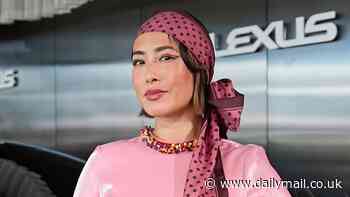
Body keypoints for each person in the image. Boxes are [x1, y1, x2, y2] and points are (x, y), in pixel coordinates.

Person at [73, 9, 292, 197]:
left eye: (166, 57)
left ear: (199, 68)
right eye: (139, 61)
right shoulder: (106, 161)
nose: (149, 75)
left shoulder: (246, 164)